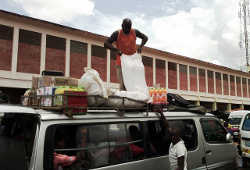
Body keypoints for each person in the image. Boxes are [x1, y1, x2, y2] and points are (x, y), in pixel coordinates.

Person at [104, 18, 148, 90]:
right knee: (123, 84)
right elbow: (106, 43)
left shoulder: (134, 32)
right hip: (121, 62)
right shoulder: (117, 34)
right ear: (122, 26)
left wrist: (140, 47)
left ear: (131, 26)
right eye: (126, 28)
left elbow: (145, 38)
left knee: (134, 83)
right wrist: (116, 49)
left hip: (133, 62)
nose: (127, 30)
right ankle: (124, 99)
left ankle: (134, 99)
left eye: (129, 28)